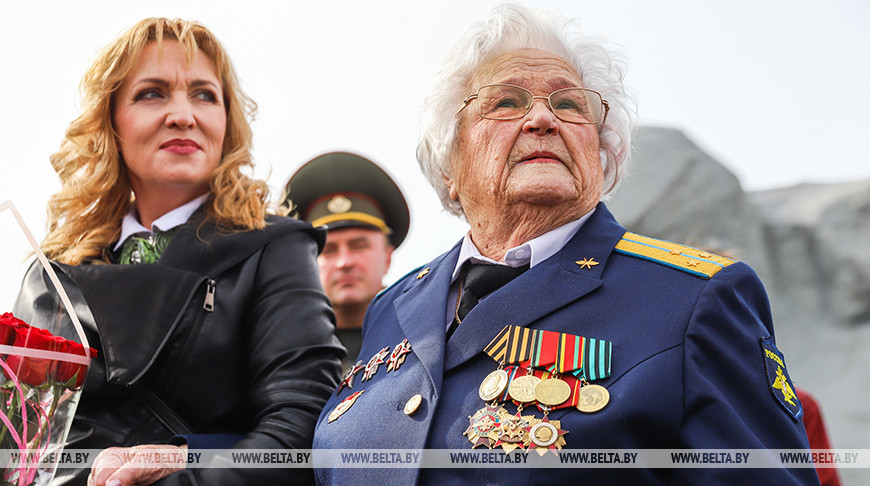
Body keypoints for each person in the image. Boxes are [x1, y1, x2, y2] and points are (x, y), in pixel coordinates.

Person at [312, 4, 819, 485]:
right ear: (450, 166)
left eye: (569, 104)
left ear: (599, 156)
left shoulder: (695, 300)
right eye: (506, 101)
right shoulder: (391, 308)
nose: (542, 119)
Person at [13, 18, 342, 486]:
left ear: (226, 123)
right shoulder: (51, 274)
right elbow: (24, 447)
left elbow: (302, 426)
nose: (184, 114)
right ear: (110, 121)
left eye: (205, 94)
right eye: (153, 93)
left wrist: (182, 471)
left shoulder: (275, 245)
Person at [282, 152, 409, 366]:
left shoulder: (422, 335)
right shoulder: (282, 347)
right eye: (329, 250)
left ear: (387, 257)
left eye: (359, 246)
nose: (345, 262)